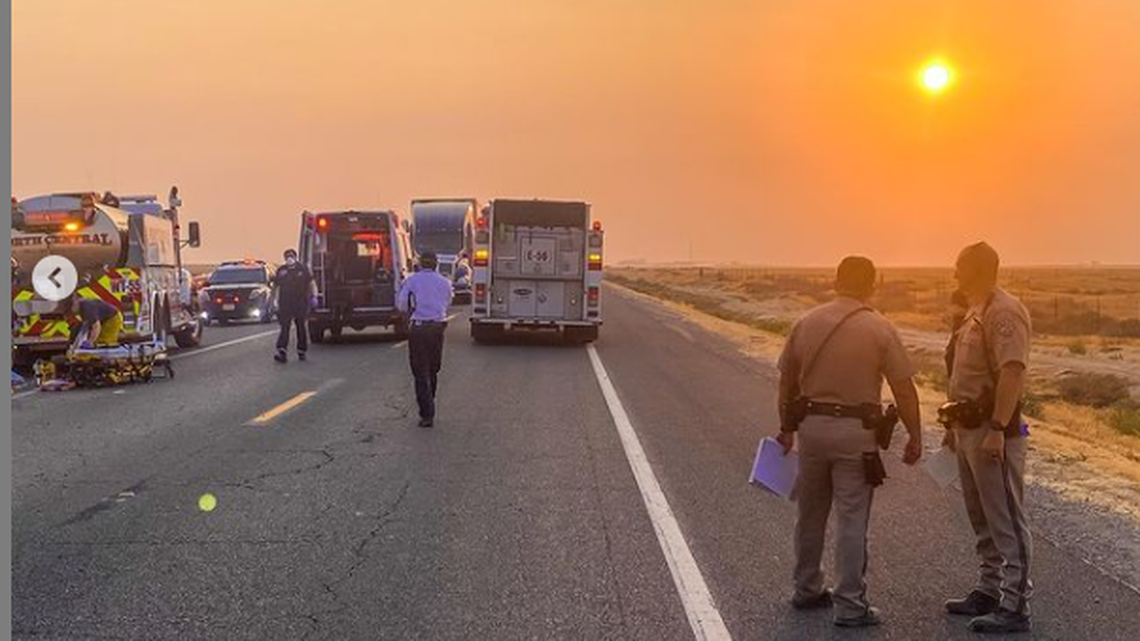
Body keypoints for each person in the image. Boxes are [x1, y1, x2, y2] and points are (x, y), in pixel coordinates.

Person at [775, 256, 923, 628]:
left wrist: (786, 428)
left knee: (810, 514)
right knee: (852, 519)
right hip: (856, 434)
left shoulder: (806, 322)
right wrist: (915, 435)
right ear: (872, 284)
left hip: (811, 430)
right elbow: (904, 389)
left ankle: (806, 588)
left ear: (836, 280)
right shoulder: (879, 328)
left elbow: (786, 382)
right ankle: (850, 604)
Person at [940, 242, 1034, 634]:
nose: (955, 274)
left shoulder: (1003, 312)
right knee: (981, 516)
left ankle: (1015, 605)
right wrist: (952, 427)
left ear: (977, 270)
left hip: (993, 432)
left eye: (960, 267)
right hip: (967, 430)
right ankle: (989, 589)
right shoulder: (975, 311)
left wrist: (997, 428)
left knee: (1006, 518)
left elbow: (1012, 371)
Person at [396, 251, 453, 428]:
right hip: (437, 327)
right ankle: (430, 400)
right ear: (436, 264)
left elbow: (402, 304)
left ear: (420, 264)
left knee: (420, 371)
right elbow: (448, 301)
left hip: (419, 328)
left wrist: (412, 312)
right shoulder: (445, 282)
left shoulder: (412, 280)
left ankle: (427, 413)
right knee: (433, 368)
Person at [271, 248, 316, 363]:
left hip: (300, 303)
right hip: (285, 304)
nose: (289, 258)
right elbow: (275, 286)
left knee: (300, 326)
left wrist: (314, 296)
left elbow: (311, 283)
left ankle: (302, 351)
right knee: (285, 327)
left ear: (295, 257)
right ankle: (282, 351)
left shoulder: (303, 269)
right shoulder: (281, 270)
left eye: (291, 256)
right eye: (287, 257)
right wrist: (273, 301)